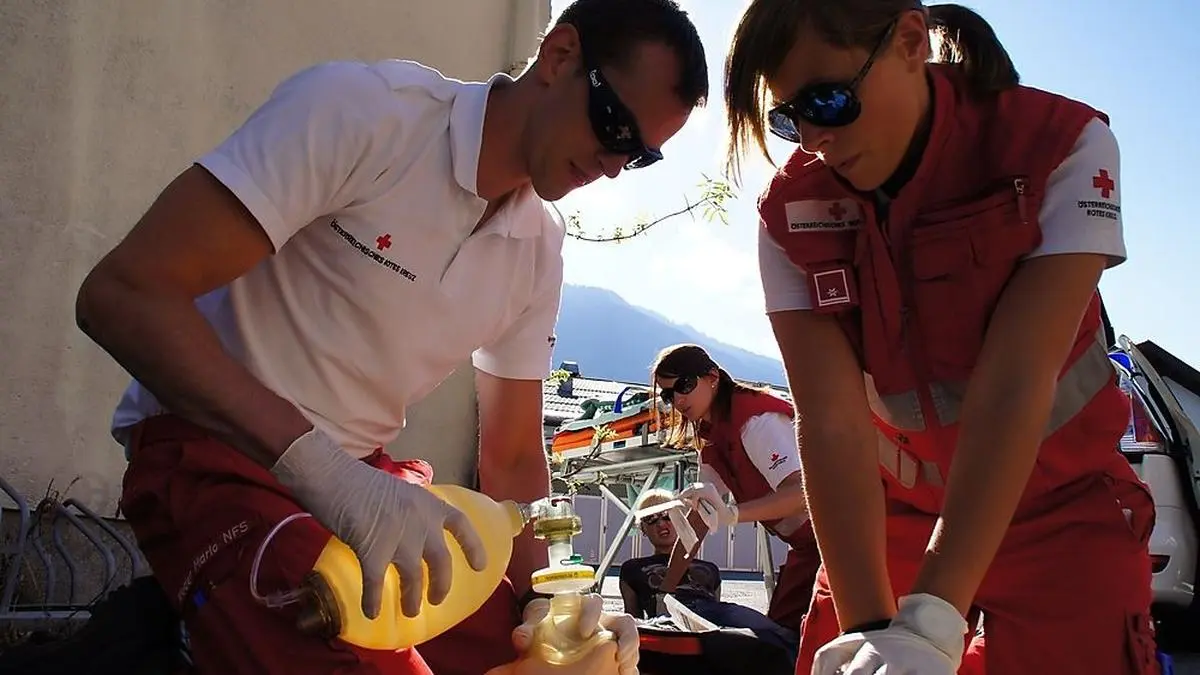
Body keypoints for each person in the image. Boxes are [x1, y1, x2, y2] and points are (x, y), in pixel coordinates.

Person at [72, 0, 708, 673]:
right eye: (614, 127)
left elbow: (516, 457)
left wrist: (541, 602)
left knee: (539, 661)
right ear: (559, 57)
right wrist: (323, 474)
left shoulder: (537, 252)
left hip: (367, 486)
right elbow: (122, 295)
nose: (612, 164)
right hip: (211, 456)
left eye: (638, 157)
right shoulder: (367, 115)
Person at [723, 2, 1155, 675]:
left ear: (908, 39)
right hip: (891, 515)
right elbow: (831, 422)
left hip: (1062, 510)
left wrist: (928, 620)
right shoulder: (790, 214)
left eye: (829, 100)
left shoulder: (1060, 148)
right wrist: (872, 630)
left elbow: (1015, 383)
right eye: (789, 117)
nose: (813, 139)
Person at [650, 344, 820, 636]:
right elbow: (700, 521)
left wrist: (732, 514)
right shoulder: (712, 437)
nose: (678, 399)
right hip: (809, 548)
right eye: (668, 394)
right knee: (780, 639)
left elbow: (802, 495)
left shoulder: (755, 421)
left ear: (712, 377)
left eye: (685, 385)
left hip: (845, 540)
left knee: (796, 642)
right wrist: (664, 596)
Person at [619, 488, 799, 660]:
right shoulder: (632, 568)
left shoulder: (709, 568)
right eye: (651, 519)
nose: (661, 523)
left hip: (713, 614)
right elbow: (631, 621)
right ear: (642, 528)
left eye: (668, 515)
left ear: (682, 519)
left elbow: (716, 606)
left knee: (777, 634)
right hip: (667, 619)